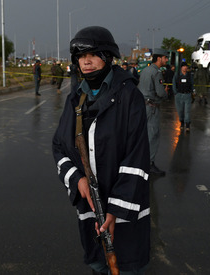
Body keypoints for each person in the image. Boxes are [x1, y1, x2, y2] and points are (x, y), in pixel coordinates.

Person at [52, 26, 150, 274]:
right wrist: (77, 179)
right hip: (89, 209)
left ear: (108, 57)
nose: (86, 61)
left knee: (125, 266)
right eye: (80, 57)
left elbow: (136, 158)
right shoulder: (76, 97)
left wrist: (115, 212)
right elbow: (59, 146)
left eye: (93, 55)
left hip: (125, 213)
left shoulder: (130, 96)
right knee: (97, 264)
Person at [138, 48, 169, 176]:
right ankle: (149, 164)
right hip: (152, 107)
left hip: (143, 106)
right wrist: (166, 93)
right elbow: (160, 92)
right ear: (159, 58)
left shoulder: (145, 70)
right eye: (165, 58)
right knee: (153, 135)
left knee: (143, 135)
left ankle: (141, 161)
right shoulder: (157, 72)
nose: (166, 60)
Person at [173, 63, 194, 132]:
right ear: (181, 68)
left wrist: (192, 92)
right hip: (179, 95)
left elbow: (192, 84)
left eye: (186, 67)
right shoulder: (177, 75)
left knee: (187, 111)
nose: (185, 68)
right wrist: (175, 93)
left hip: (187, 95)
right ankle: (182, 122)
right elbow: (174, 84)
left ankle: (187, 125)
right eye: (183, 66)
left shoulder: (189, 75)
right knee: (180, 111)